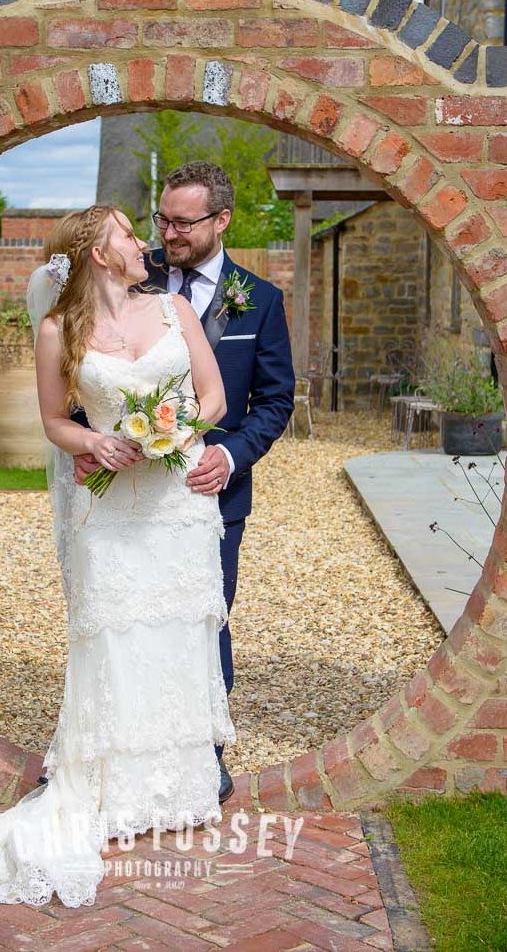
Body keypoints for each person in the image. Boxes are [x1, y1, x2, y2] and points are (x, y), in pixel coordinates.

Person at [0, 205, 235, 907]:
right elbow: (53, 421)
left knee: (175, 634)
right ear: (98, 254)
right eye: (129, 234)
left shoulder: (174, 310)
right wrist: (94, 444)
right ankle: (109, 790)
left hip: (177, 506)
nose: (145, 242)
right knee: (112, 638)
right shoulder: (57, 331)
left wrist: (172, 435)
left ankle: (176, 787)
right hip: (108, 512)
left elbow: (214, 396)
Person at [76, 162, 295, 803]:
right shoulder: (123, 273)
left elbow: (274, 402)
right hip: (120, 489)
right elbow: (78, 364)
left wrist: (231, 459)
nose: (166, 233)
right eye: (161, 220)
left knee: (203, 619)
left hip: (207, 492)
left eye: (182, 222)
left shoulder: (260, 300)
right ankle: (110, 747)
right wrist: (83, 441)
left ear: (221, 220)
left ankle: (204, 753)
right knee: (121, 618)